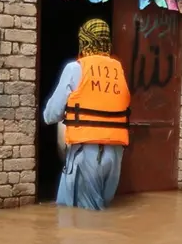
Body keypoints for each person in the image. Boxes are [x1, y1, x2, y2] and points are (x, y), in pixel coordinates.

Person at [43, 18, 131, 210]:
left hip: (87, 153)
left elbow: (52, 115)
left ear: (84, 41)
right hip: (114, 155)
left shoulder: (75, 68)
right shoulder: (118, 70)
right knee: (99, 210)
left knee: (82, 217)